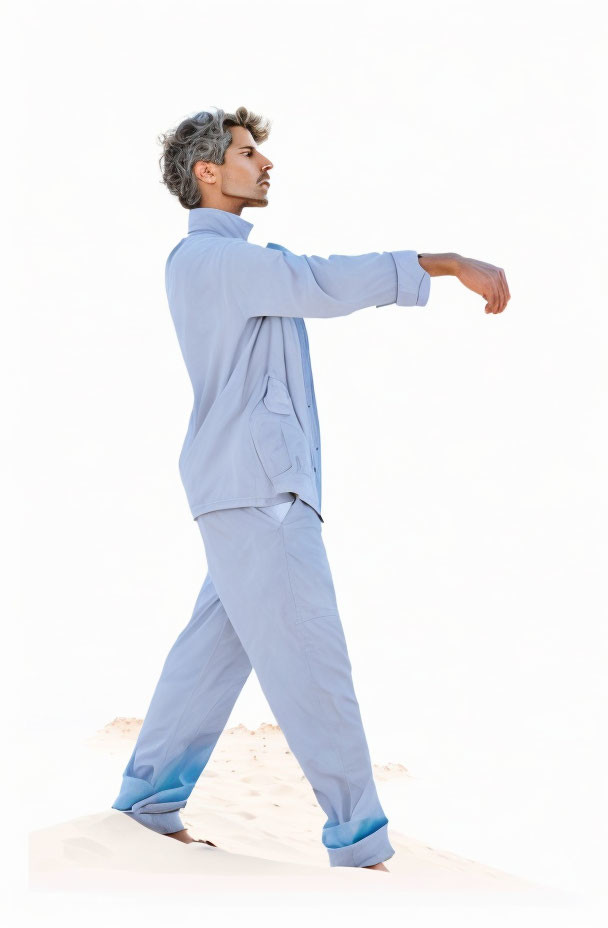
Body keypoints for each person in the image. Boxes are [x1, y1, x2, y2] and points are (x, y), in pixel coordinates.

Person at [111, 106, 510, 871]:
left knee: (207, 662)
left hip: (244, 486)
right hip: (260, 493)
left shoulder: (225, 261)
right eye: (247, 153)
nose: (264, 165)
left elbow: (302, 284)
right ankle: (360, 844)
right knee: (315, 665)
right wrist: (445, 261)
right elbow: (321, 282)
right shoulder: (214, 261)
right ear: (206, 171)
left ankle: (147, 803)